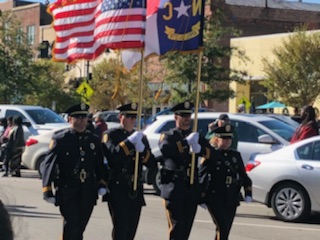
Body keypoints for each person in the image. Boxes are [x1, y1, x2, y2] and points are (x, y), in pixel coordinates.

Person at [40, 103, 108, 240]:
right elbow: (48, 164)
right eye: (78, 118)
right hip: (68, 189)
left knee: (80, 227)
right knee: (72, 226)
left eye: (84, 118)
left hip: (88, 190)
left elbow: (99, 164)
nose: (82, 121)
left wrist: (102, 183)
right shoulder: (61, 139)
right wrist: (47, 189)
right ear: (70, 119)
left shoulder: (93, 139)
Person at [102, 102, 156, 240]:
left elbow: (152, 163)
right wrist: (129, 143)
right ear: (121, 117)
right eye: (129, 117)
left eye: (134, 117)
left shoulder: (141, 137)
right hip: (118, 187)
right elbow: (113, 156)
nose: (132, 120)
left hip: (135, 188)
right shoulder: (111, 135)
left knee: (131, 229)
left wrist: (143, 151)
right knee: (121, 228)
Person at [158, 101, 211, 240]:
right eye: (183, 116)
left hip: (190, 189)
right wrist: (185, 143)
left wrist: (201, 150)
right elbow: (166, 149)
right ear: (176, 117)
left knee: (186, 228)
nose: (187, 119)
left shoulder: (196, 136)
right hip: (174, 188)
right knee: (177, 228)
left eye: (189, 115)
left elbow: (213, 154)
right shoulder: (169, 135)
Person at [199, 124, 252, 240]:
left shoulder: (235, 156)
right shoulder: (212, 155)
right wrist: (201, 196)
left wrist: (248, 192)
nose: (227, 142)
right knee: (222, 226)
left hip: (231, 196)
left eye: (229, 139)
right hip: (215, 196)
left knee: (225, 228)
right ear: (217, 139)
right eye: (224, 139)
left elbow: (243, 175)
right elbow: (202, 174)